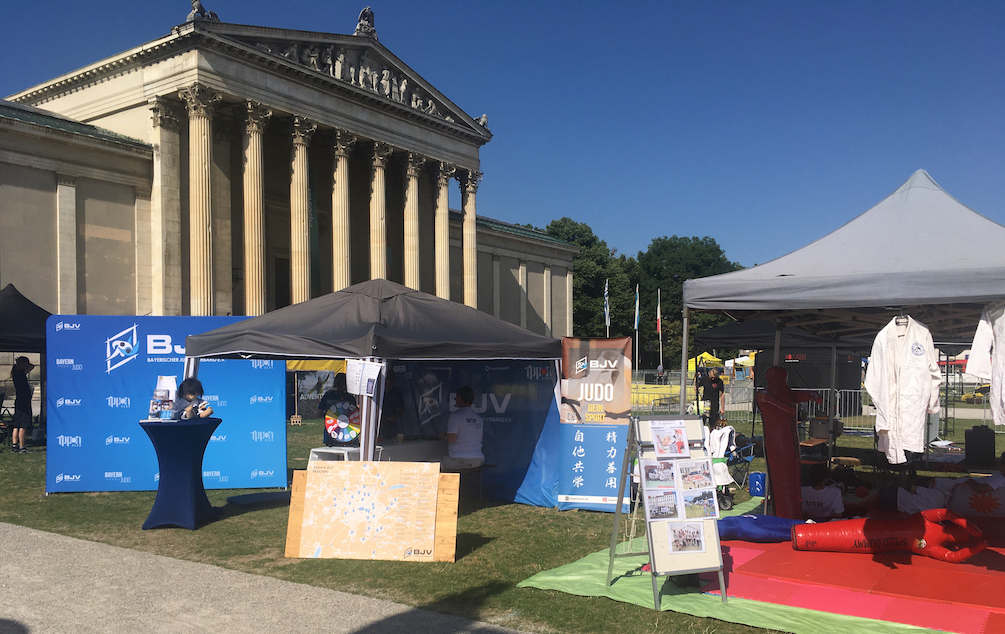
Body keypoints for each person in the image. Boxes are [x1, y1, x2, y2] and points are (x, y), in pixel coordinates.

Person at [439, 386, 484, 472]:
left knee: (429, 464)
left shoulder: (455, 416)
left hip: (461, 459)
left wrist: (443, 436)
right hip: (479, 459)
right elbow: (480, 440)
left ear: (459, 398)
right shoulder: (478, 418)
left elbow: (451, 439)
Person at [319, 373, 359, 445]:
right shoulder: (350, 398)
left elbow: (318, 413)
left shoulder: (328, 395)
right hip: (349, 435)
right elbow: (355, 415)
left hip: (331, 434)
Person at [10, 356, 34, 453]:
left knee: (17, 424)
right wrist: (23, 364)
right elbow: (31, 366)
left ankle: (15, 445)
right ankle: (22, 446)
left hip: (20, 400)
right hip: (23, 401)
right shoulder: (19, 373)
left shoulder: (16, 373)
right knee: (23, 424)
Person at [378, 369, 405, 441]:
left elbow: (402, 408)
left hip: (391, 424)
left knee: (391, 442)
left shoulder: (397, 392)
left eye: (390, 383)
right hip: (377, 423)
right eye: (386, 383)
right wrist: (379, 417)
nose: (387, 386)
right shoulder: (377, 392)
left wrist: (396, 416)